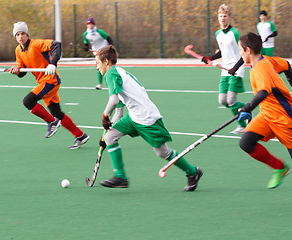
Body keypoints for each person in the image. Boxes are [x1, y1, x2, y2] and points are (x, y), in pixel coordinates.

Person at [95, 45, 203, 191]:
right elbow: (119, 111)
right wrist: (108, 130)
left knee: (162, 152)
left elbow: (113, 101)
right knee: (110, 138)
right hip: (134, 117)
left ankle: (193, 172)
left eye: (98, 63)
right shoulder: (119, 73)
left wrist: (104, 116)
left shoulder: (111, 74)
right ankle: (120, 177)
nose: (97, 67)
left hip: (146, 118)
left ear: (106, 61)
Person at [8, 22, 89, 149]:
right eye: (17, 34)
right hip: (43, 83)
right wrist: (17, 72)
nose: (20, 37)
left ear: (27, 34)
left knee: (28, 101)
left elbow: (56, 45)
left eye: (23, 33)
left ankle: (51, 121)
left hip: (51, 80)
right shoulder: (18, 50)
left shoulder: (36, 44)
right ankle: (80, 136)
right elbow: (22, 72)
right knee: (57, 112)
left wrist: (53, 63)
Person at [237, 32, 292, 189]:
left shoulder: (261, 67)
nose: (240, 54)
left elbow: (263, 91)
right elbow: (286, 65)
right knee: (246, 143)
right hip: (267, 115)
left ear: (248, 50)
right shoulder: (266, 61)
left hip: (284, 118)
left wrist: (248, 107)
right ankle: (280, 168)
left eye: (241, 50)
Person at [201, 4, 246, 134]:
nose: (223, 18)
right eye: (220, 16)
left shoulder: (235, 33)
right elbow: (222, 51)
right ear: (218, 18)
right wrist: (209, 58)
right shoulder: (218, 34)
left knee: (231, 100)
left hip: (236, 69)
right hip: (224, 70)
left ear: (229, 17)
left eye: (225, 16)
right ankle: (246, 109)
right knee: (222, 100)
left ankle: (242, 124)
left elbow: (243, 54)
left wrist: (235, 67)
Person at [83, 17, 113, 90]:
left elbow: (109, 39)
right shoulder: (85, 34)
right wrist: (86, 47)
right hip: (96, 52)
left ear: (94, 24)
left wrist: (110, 48)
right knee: (99, 67)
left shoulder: (100, 32)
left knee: (108, 66)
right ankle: (99, 84)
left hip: (105, 49)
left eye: (91, 24)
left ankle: (112, 82)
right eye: (88, 24)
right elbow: (86, 43)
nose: (90, 25)